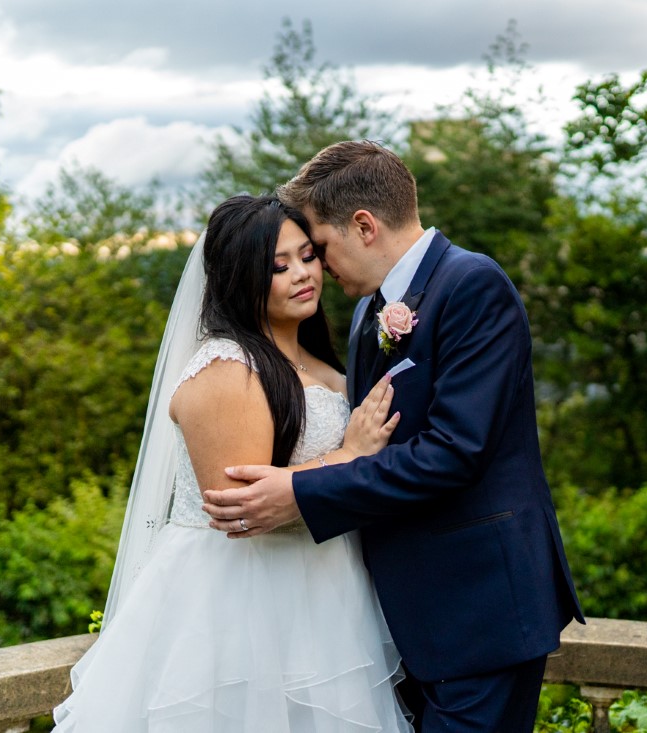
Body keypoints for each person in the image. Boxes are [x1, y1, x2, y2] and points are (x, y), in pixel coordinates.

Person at [202, 141, 586, 732]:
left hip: (479, 611)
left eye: (321, 249)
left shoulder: (472, 285)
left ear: (364, 225)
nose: (320, 269)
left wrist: (303, 491)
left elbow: (452, 454)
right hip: (401, 624)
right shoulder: (367, 315)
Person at [54, 195, 414, 732]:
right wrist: (348, 456)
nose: (301, 274)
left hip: (325, 594)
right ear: (241, 278)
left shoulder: (320, 363)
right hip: (239, 606)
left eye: (307, 256)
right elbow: (241, 512)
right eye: (278, 265)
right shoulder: (228, 369)